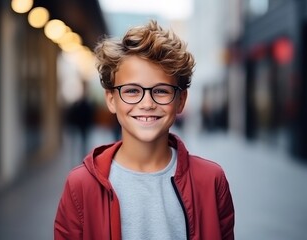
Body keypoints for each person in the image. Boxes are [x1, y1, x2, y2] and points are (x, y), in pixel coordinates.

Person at [54, 20, 235, 240]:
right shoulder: (81, 185)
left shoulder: (211, 181)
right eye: (131, 91)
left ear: (181, 100)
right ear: (111, 100)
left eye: (161, 91)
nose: (147, 103)